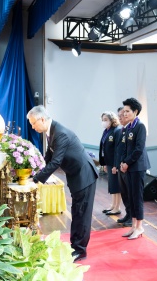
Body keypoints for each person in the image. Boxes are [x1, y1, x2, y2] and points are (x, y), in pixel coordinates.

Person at [27, 106, 98, 262]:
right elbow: (48, 157)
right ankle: (75, 246)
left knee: (82, 214)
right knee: (77, 211)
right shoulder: (51, 131)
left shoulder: (60, 134)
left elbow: (56, 162)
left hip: (84, 175)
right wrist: (34, 173)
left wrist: (36, 179)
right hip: (76, 175)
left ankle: (80, 250)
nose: (32, 127)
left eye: (33, 123)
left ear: (42, 119)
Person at [120, 98, 151, 240]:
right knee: (131, 197)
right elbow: (126, 148)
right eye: (123, 111)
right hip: (129, 167)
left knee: (137, 197)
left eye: (127, 111)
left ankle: (139, 226)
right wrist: (123, 162)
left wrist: (127, 162)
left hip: (137, 167)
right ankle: (133, 225)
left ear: (135, 112)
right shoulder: (129, 127)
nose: (124, 114)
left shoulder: (140, 127)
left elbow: (139, 149)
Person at [99, 111, 122, 216]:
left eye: (106, 120)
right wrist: (103, 163)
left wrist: (115, 165)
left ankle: (117, 207)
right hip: (108, 162)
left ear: (112, 120)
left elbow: (118, 150)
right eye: (103, 120)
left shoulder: (117, 131)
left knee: (116, 185)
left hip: (114, 163)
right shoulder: (106, 131)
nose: (104, 122)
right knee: (112, 185)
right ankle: (113, 205)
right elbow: (103, 148)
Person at [113, 107, 132, 227]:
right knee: (124, 193)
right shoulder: (121, 131)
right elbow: (118, 151)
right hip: (121, 166)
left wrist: (125, 163)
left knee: (130, 194)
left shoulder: (131, 129)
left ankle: (132, 217)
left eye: (122, 115)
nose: (120, 117)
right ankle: (128, 214)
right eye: (119, 116)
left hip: (128, 166)